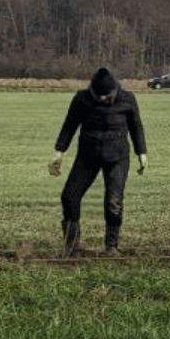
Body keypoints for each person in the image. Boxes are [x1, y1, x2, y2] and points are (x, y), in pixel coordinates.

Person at [48, 67, 147, 256]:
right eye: (98, 95)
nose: (102, 98)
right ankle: (71, 247)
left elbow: (136, 126)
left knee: (113, 201)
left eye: (106, 96)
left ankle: (111, 247)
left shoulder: (127, 99)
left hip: (117, 157)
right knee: (69, 197)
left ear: (114, 90)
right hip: (87, 156)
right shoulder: (81, 99)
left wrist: (141, 153)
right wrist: (59, 151)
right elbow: (69, 124)